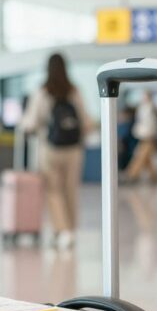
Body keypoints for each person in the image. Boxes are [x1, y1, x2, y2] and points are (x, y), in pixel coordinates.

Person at [20, 53, 92, 249]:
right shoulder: (74, 91)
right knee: (71, 190)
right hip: (74, 150)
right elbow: (86, 121)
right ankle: (71, 230)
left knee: (54, 191)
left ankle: (62, 231)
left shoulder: (43, 92)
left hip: (49, 148)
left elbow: (31, 122)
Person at [125, 90, 157, 184]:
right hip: (143, 135)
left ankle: (131, 175)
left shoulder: (152, 108)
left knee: (140, 156)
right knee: (146, 158)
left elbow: (153, 123)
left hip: (149, 136)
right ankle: (155, 178)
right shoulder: (142, 108)